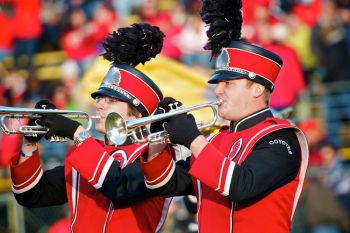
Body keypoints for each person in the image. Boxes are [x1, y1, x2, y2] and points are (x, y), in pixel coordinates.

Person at [140, 0, 309, 232]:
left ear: (257, 89)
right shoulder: (216, 141)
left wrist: (193, 139)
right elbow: (163, 184)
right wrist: (157, 139)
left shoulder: (280, 139)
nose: (218, 90)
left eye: (228, 83)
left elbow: (241, 186)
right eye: (218, 83)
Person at [9, 23, 171, 233]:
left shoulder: (154, 155)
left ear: (137, 113)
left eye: (110, 100)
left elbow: (120, 188)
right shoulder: (88, 153)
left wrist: (77, 133)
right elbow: (30, 195)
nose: (99, 104)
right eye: (99, 98)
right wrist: (30, 142)